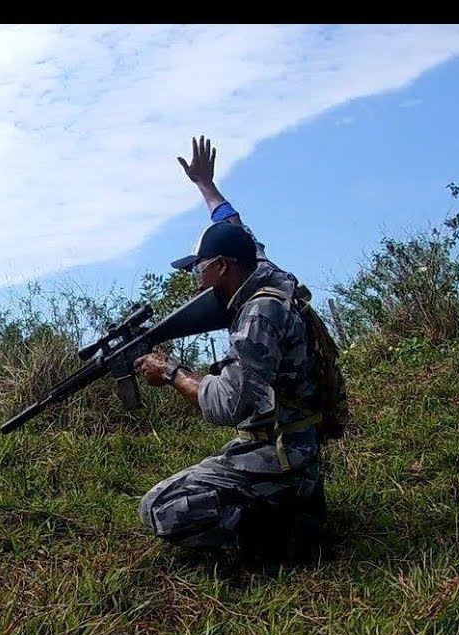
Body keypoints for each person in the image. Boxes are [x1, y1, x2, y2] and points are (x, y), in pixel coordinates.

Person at [132, 136, 343, 563]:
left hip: (278, 458)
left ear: (223, 266)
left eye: (200, 269)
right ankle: (291, 508)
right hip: (296, 449)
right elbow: (235, 226)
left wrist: (172, 373)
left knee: (159, 507)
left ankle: (278, 534)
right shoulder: (266, 273)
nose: (196, 279)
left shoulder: (257, 317)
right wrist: (205, 185)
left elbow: (233, 403)